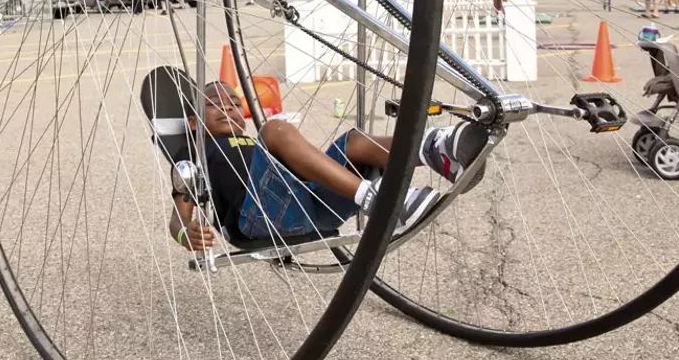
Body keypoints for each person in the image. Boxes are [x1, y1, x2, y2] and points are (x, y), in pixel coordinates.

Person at [171, 82, 488, 251]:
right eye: (213, 103)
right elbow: (178, 218)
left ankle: (437, 149)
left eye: (234, 103)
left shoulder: (254, 146)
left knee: (353, 141)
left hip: (310, 203)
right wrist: (187, 235)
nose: (228, 107)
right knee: (275, 129)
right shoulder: (197, 153)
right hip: (258, 218)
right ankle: (384, 201)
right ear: (193, 123)